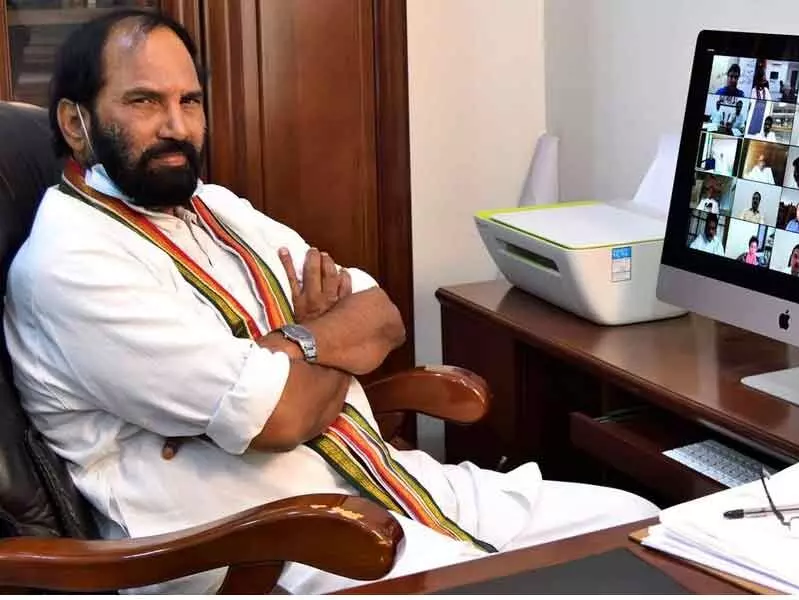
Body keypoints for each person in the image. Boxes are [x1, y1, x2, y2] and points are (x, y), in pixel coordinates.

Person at [1, 11, 660, 595]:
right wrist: (324, 343)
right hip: (265, 550)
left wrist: (297, 346)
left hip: (385, 484)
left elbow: (380, 315)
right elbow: (280, 416)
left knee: (640, 528)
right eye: (144, 102)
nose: (177, 126)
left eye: (190, 100)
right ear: (75, 123)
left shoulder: (214, 209)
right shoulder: (72, 264)